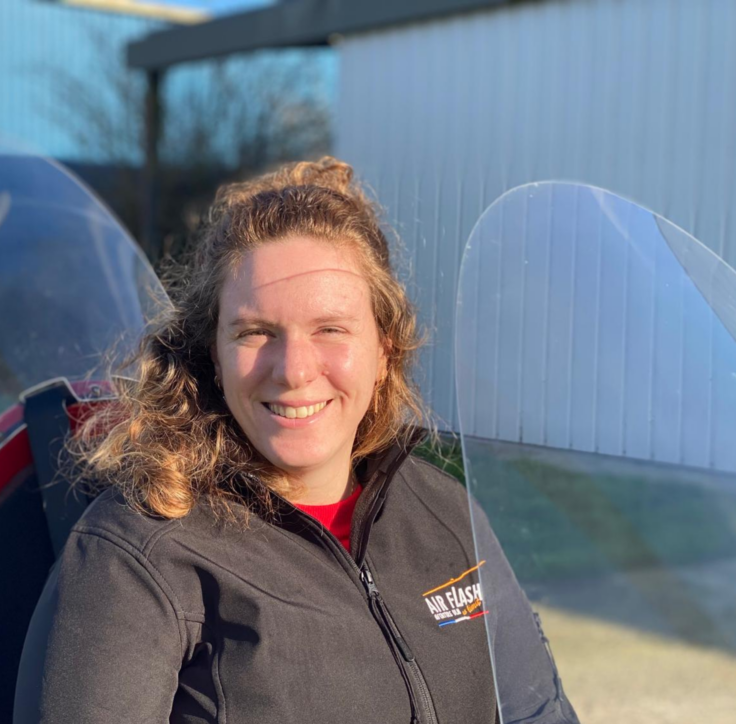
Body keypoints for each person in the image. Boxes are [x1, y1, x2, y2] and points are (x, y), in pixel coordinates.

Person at [38, 158, 578, 723]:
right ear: (214, 355)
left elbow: (538, 713)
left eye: (330, 329)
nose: (294, 371)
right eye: (255, 332)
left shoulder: (447, 516)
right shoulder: (136, 554)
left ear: (384, 351)